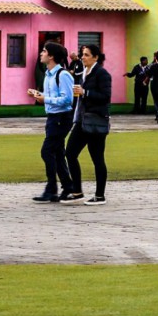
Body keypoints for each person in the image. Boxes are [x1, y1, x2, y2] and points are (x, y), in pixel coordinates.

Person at [63, 44, 111, 205]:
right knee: (70, 153)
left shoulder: (102, 74)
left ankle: (100, 195)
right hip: (81, 119)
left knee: (97, 158)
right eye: (82, 54)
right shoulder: (83, 73)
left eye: (86, 55)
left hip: (95, 120)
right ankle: (77, 191)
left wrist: (86, 92)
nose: (82, 57)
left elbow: (105, 96)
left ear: (95, 57)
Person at [28, 42, 76, 203]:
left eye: (44, 51)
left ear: (52, 56)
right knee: (57, 152)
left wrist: (45, 98)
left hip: (62, 118)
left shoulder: (63, 75)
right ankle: (67, 187)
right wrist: (38, 94)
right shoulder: (49, 75)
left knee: (47, 151)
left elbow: (67, 99)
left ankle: (52, 188)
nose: (41, 53)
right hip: (53, 117)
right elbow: (53, 97)